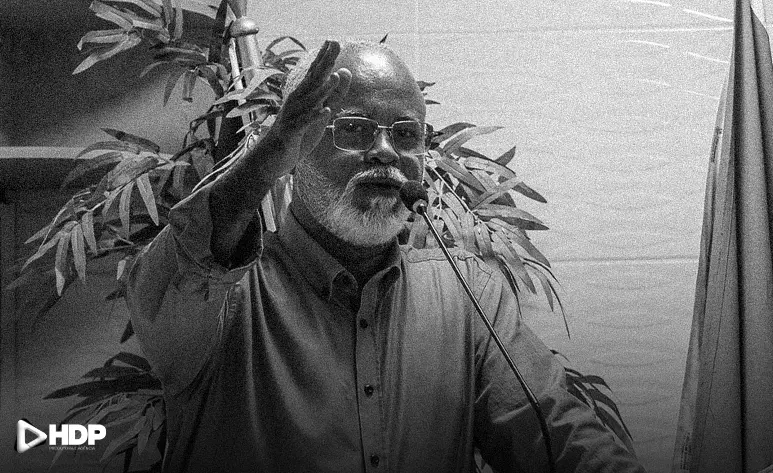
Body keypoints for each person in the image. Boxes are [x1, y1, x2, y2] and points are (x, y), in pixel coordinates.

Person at [126, 39, 645, 473]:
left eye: (406, 134)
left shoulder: (468, 296)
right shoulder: (219, 296)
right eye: (353, 129)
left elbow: (558, 436)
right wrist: (265, 158)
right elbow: (170, 278)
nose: (385, 151)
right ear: (293, 151)